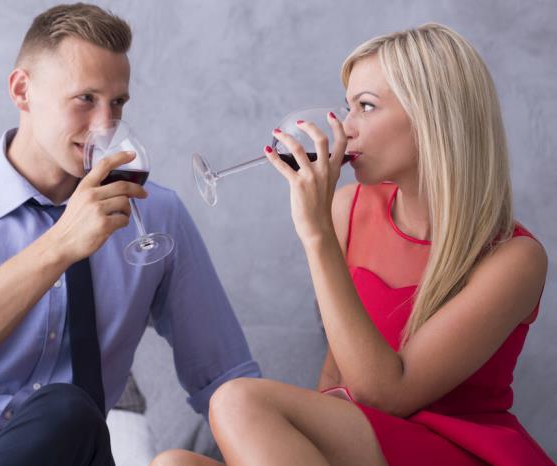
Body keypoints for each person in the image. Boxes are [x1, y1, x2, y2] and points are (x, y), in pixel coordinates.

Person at [0, 3, 260, 465]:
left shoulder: (156, 216)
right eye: (86, 98)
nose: (106, 124)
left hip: (57, 444)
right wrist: (60, 245)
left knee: (69, 407)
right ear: (22, 90)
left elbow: (225, 376)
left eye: (118, 103)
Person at [151, 23, 553, 466]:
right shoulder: (351, 208)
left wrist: (316, 235)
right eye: (348, 107)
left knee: (236, 401)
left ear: (431, 117)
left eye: (366, 106)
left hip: (454, 448)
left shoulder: (515, 258)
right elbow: (337, 375)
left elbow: (386, 394)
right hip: (366, 441)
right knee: (174, 464)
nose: (345, 128)